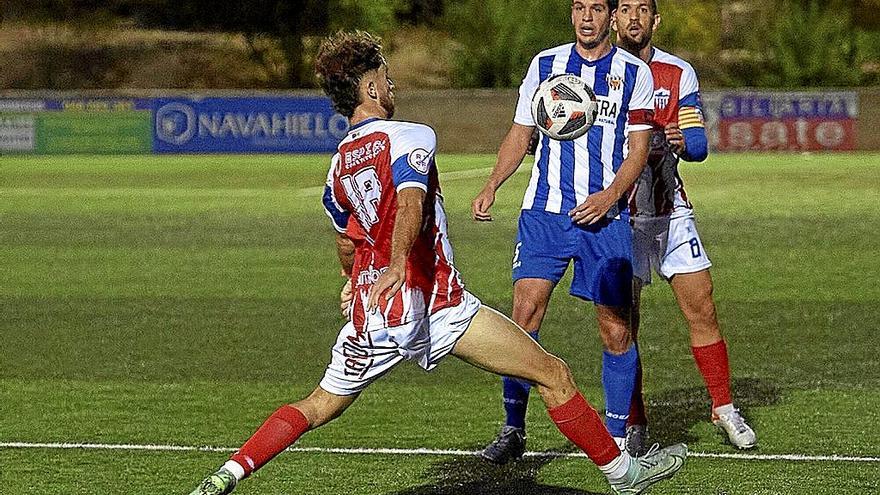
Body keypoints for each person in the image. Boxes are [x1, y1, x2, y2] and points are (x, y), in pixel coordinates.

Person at [188, 31, 686, 495]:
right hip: (438, 305)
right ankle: (624, 475)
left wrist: (351, 280)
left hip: (372, 314)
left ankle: (229, 473)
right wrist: (401, 263)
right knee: (553, 373)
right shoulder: (410, 136)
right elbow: (409, 201)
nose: (392, 82)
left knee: (317, 405)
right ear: (369, 86)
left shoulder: (338, 163)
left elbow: (347, 240)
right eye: (385, 75)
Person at [472, 0, 655, 462]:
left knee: (615, 329)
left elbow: (638, 151)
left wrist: (609, 197)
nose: (586, 17)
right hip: (545, 215)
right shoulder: (544, 65)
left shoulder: (635, 73)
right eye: (579, 7)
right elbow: (520, 134)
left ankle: (615, 439)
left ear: (611, 17)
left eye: (596, 8)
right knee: (523, 319)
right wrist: (493, 184)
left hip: (605, 218)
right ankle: (513, 428)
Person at [612, 0, 757, 455]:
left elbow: (697, 144)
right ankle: (634, 420)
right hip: (621, 216)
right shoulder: (598, 74)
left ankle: (723, 406)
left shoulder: (678, 73)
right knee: (623, 325)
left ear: (655, 20)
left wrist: (681, 139)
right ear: (614, 19)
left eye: (642, 10)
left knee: (703, 307)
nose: (633, 17)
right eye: (624, 9)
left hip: (671, 212)